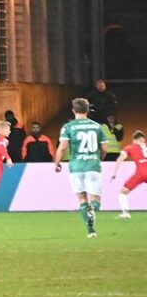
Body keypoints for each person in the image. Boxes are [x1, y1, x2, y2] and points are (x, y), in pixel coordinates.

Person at [54, 97, 107, 238]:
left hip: (76, 167)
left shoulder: (68, 127)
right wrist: (98, 158)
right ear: (88, 110)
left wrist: (57, 162)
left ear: (73, 110)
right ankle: (93, 210)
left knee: (82, 198)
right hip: (93, 166)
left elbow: (63, 147)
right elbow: (105, 148)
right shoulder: (97, 126)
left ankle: (91, 231)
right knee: (95, 200)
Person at [113, 130, 147, 218]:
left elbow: (120, 159)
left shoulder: (130, 147)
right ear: (141, 139)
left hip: (140, 173)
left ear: (135, 139)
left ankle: (125, 213)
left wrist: (114, 172)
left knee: (123, 192)